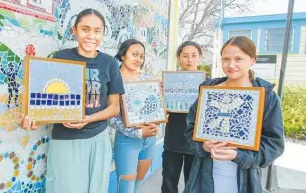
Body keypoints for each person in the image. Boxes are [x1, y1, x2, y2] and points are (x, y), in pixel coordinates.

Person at [20, 8, 125, 193]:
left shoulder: (109, 63)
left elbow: (114, 108)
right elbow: (43, 98)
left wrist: (88, 119)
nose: (91, 36)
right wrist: (32, 117)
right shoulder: (60, 57)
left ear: (103, 33)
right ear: (74, 30)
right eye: (85, 29)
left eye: (97, 31)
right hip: (65, 140)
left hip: (98, 139)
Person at [184, 36, 285, 193]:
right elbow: (191, 131)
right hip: (204, 177)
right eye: (226, 59)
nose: (231, 65)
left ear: (252, 60)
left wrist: (239, 155)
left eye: (239, 59)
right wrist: (203, 146)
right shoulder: (209, 91)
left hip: (244, 181)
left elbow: (274, 145)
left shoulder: (267, 97)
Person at [108, 39, 158, 193]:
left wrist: (156, 123)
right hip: (127, 140)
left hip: (150, 139)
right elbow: (110, 116)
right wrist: (136, 132)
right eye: (134, 54)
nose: (138, 59)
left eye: (141, 56)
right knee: (126, 187)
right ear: (123, 55)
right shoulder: (112, 80)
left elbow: (154, 110)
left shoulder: (147, 79)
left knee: (138, 184)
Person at [161, 41, 203, 193]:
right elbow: (161, 111)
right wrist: (160, 95)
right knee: (168, 181)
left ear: (200, 57)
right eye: (185, 56)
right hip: (173, 137)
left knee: (192, 183)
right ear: (179, 58)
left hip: (196, 141)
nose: (189, 60)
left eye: (193, 56)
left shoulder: (209, 84)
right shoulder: (169, 81)